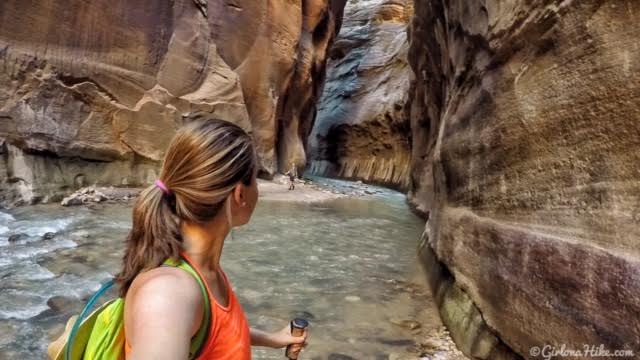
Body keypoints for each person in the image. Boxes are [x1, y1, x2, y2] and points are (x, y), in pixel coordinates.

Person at [116, 119, 307, 359]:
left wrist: (273, 339)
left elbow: (217, 331)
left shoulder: (203, 271)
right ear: (239, 194)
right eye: (255, 179)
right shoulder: (169, 293)